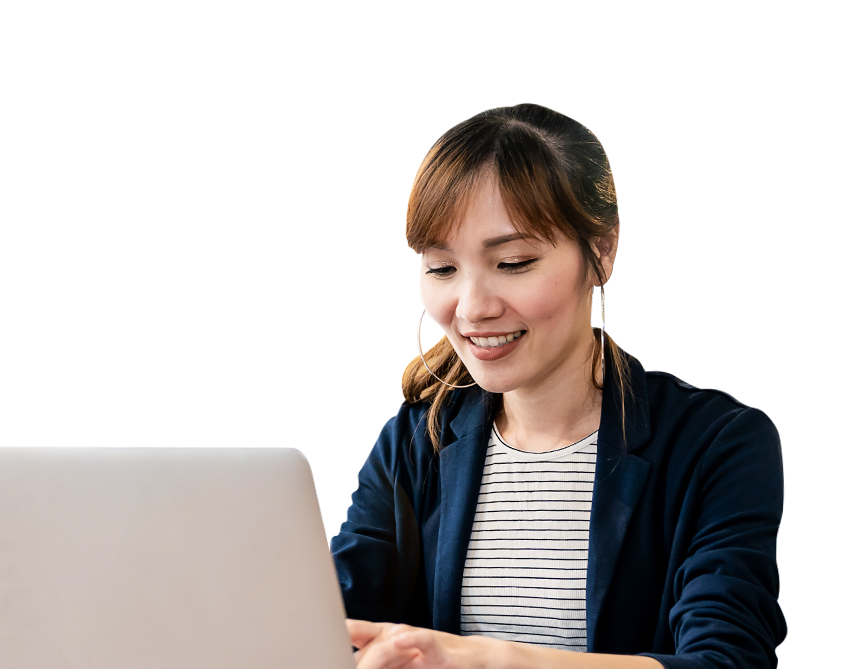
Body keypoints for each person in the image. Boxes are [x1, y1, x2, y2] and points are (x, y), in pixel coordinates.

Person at [328, 102, 787, 669]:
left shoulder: (718, 443)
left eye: (514, 262)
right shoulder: (415, 440)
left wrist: (489, 660)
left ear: (600, 252)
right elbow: (325, 620)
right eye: (442, 268)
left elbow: (728, 662)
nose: (472, 308)